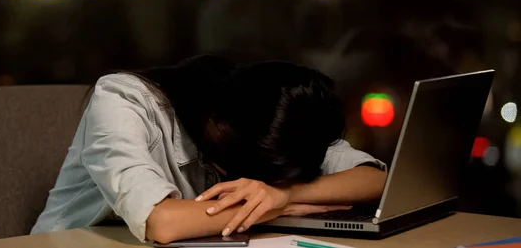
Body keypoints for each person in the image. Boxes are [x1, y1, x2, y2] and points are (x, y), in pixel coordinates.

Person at [31, 55, 387, 243]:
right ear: (220, 124)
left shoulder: (271, 114)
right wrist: (272, 209)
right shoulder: (124, 98)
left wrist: (284, 194)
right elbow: (162, 222)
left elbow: (377, 180)